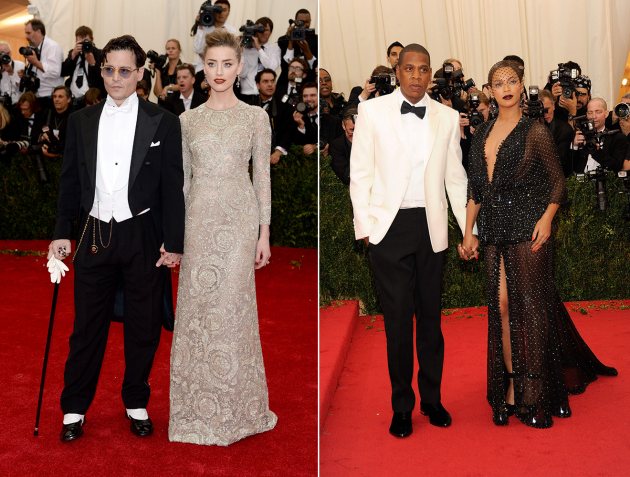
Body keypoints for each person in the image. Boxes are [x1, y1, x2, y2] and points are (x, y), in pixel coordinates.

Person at [461, 60, 617, 429]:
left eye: (512, 80)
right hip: (495, 229)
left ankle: (536, 392)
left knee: (530, 309)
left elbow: (558, 183)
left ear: (521, 84)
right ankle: (512, 384)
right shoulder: (481, 134)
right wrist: (468, 231)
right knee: (500, 307)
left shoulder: (534, 131)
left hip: (530, 228)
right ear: (490, 90)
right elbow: (476, 190)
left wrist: (546, 220)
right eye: (498, 83)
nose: (506, 88)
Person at [48, 34, 185, 442]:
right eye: (109, 69)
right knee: (87, 327)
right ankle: (74, 408)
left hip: (143, 234)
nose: (116, 78)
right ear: (101, 70)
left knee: (143, 325)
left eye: (125, 70)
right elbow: (69, 182)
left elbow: (171, 186)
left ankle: (135, 400)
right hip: (94, 234)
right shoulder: (80, 121)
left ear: (140, 73)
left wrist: (173, 241)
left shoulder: (164, 121)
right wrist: (60, 233)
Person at [349, 43, 470, 438]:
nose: (416, 76)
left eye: (423, 70)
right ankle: (402, 406)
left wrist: (469, 230)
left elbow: (455, 178)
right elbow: (361, 172)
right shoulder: (371, 111)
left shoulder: (448, 117)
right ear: (397, 71)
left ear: (431, 74)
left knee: (431, 323)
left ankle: (432, 400)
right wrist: (364, 227)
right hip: (387, 229)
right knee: (398, 323)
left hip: (431, 229)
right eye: (409, 69)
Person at [169, 29, 277, 446]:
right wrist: (174, 236)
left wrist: (263, 234)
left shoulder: (255, 117)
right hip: (197, 222)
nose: (218, 71)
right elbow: (183, 182)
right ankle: (195, 411)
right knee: (196, 313)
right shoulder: (187, 120)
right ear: (202, 66)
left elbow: (262, 179)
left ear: (240, 67)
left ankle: (237, 412)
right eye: (211, 64)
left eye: (227, 64)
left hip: (238, 224)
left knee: (232, 312)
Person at [23, 19, 64, 107]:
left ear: (38, 31)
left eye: (28, 33)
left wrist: (36, 62)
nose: (26, 36)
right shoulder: (34, 48)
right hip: (37, 96)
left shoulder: (52, 47)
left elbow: (55, 72)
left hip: (49, 97)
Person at [61, 26, 104, 107]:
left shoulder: (99, 54)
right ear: (76, 41)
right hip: (73, 100)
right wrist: (72, 56)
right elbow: (63, 72)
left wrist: (93, 63)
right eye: (80, 42)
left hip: (91, 100)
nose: (84, 45)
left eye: (86, 41)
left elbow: (103, 78)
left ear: (92, 39)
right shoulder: (73, 53)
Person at [152, 39, 183, 104]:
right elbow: (158, 94)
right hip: (163, 108)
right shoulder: (163, 70)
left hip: (178, 107)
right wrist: (158, 71)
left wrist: (168, 88)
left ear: (179, 51)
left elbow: (183, 86)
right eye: (168, 48)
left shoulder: (184, 69)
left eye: (173, 48)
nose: (170, 50)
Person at [0, 41, 25, 105]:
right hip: (2, 105)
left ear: (10, 53)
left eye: (7, 53)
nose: (4, 57)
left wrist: (11, 73)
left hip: (17, 104)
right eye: (1, 54)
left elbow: (22, 89)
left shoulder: (20, 65)